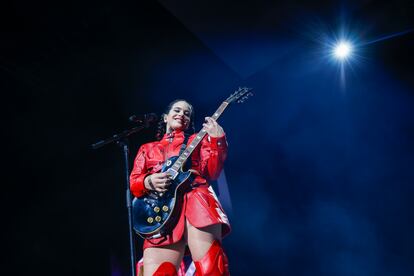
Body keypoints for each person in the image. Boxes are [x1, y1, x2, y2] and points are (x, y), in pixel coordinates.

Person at [130, 99, 231, 276]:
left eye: (186, 113)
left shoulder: (197, 140)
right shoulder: (147, 148)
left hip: (195, 200)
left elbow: (212, 172)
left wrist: (217, 140)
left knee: (211, 268)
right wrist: (148, 181)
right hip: (159, 211)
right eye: (177, 110)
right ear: (165, 117)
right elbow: (134, 182)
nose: (182, 115)